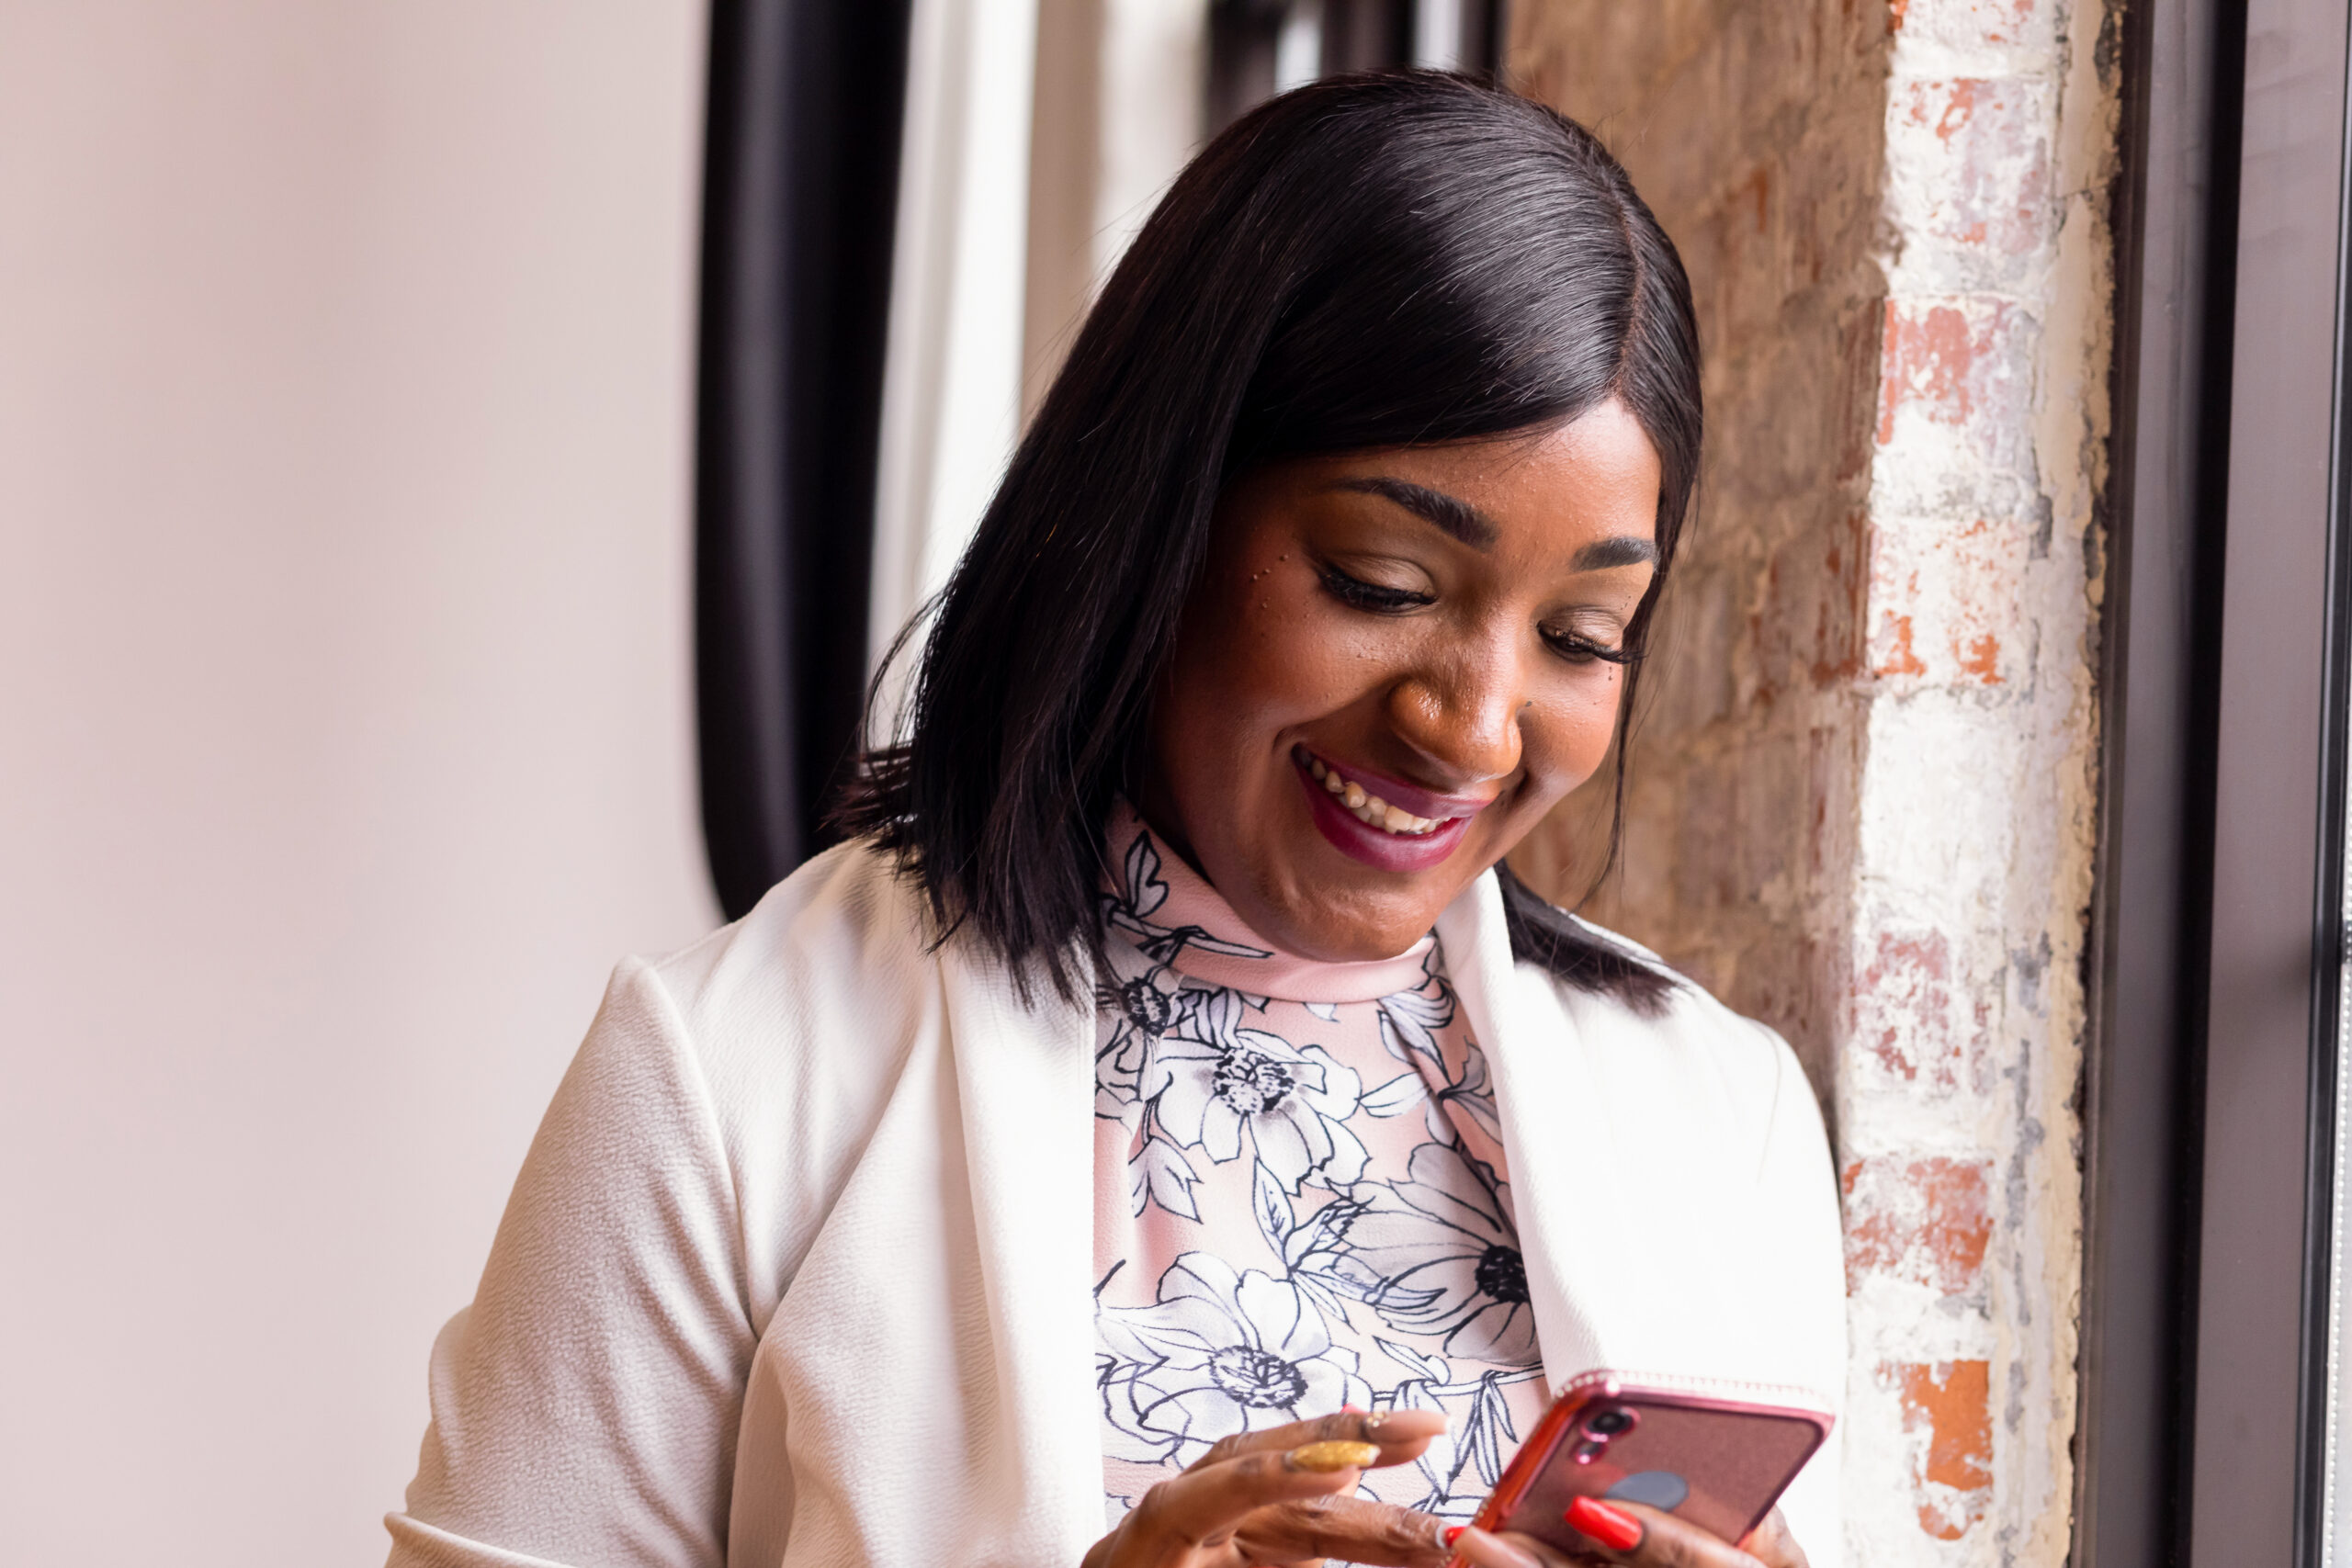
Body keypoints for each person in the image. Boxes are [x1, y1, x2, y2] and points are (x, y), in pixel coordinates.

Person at [386, 71, 1845, 1568]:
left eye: (1586, 634)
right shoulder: (726, 1078)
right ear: (1164, 515)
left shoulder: (1717, 1116)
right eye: (1381, 584)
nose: (1471, 728)